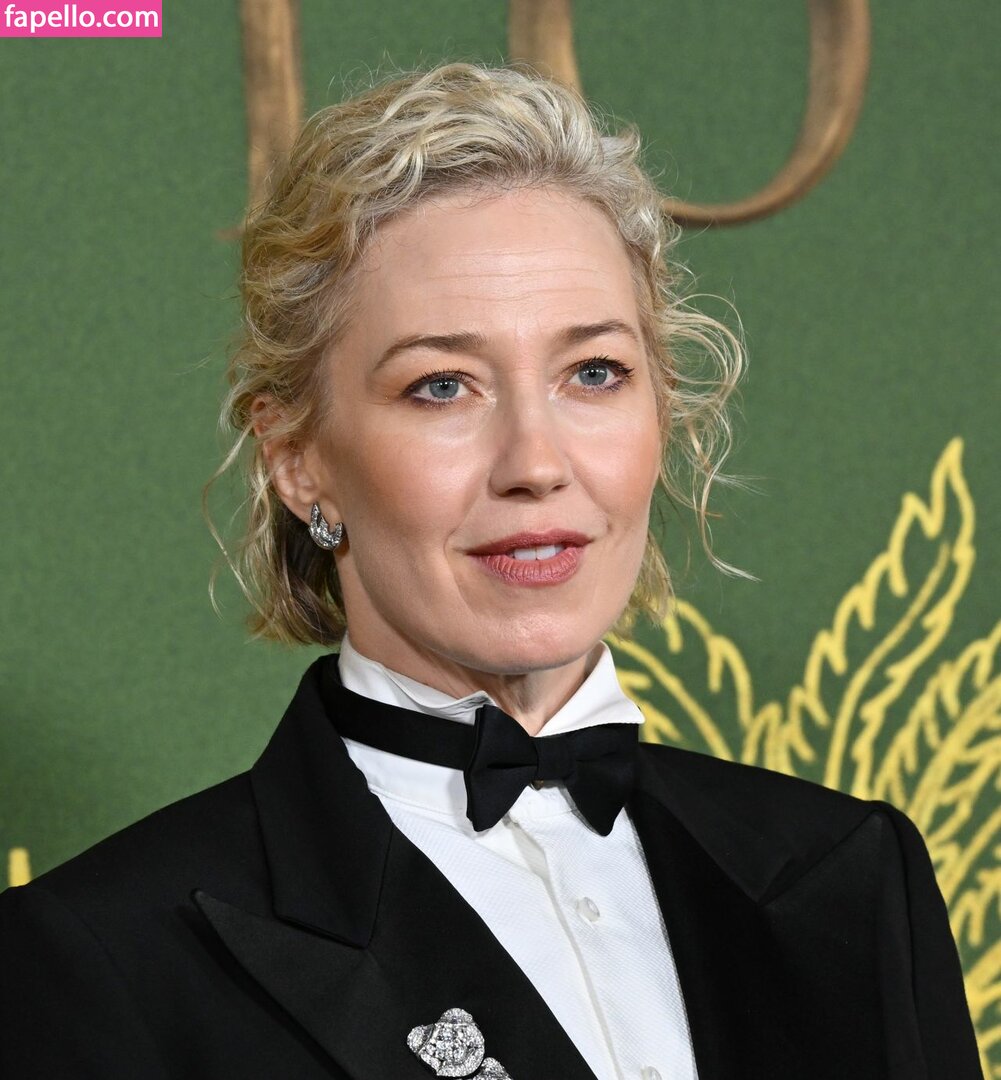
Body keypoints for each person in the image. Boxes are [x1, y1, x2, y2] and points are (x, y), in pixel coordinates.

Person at [0, 63, 979, 1080]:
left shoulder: (854, 873)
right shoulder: (104, 958)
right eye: (441, 386)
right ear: (298, 460)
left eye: (592, 373)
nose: (535, 464)